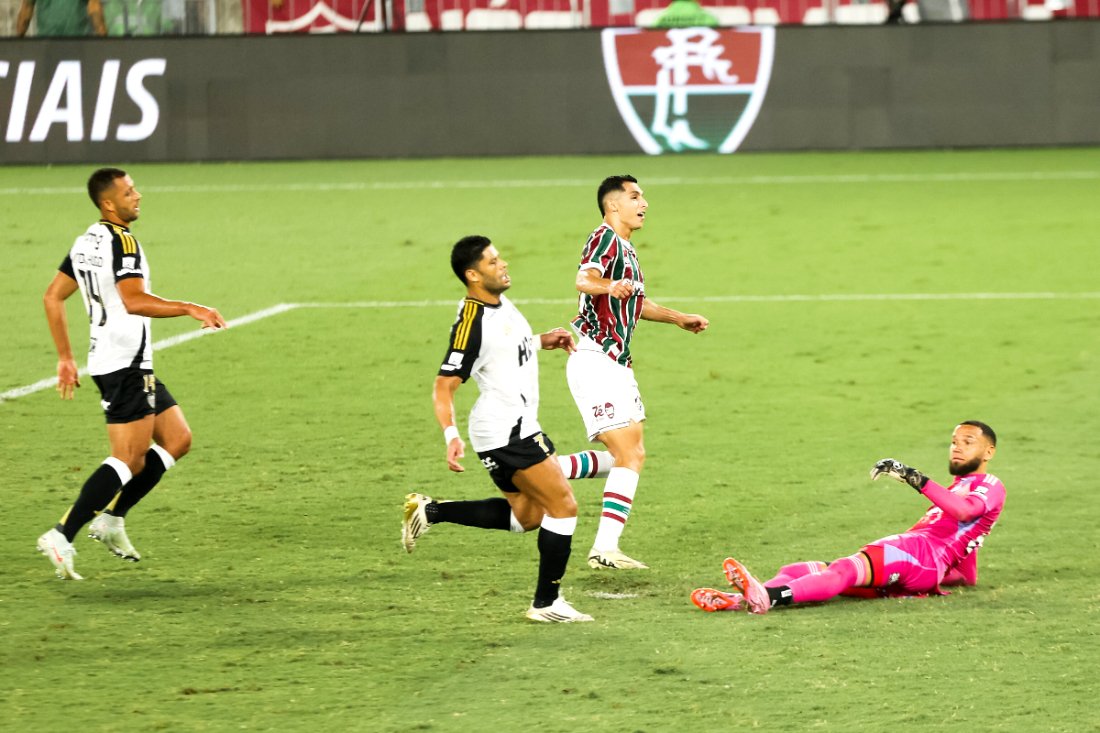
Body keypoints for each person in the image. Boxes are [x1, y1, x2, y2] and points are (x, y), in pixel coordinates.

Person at [37, 168, 225, 580]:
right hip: (124, 363)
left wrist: (66, 357)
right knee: (128, 458)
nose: (137, 195)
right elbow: (134, 300)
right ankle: (61, 535)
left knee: (177, 439)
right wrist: (190, 307)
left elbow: (53, 297)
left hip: (122, 360)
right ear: (108, 203)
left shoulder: (87, 239)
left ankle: (112, 519)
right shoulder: (123, 242)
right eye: (128, 192)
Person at [402, 235, 593, 623]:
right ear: (472, 275)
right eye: (492, 262)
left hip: (515, 425)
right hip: (507, 432)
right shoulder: (471, 323)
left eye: (499, 257)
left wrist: (540, 341)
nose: (502, 264)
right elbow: (444, 385)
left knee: (528, 517)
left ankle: (430, 511)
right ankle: (546, 603)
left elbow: (502, 347)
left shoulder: (499, 302)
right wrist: (450, 435)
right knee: (563, 506)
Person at [692, 421, 1005, 614]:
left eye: (968, 442)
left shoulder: (989, 484)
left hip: (917, 554)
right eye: (954, 442)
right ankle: (742, 600)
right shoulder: (956, 489)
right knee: (799, 570)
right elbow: (966, 571)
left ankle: (767, 598)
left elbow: (965, 511)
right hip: (918, 564)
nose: (957, 448)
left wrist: (912, 476)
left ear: (988, 452)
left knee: (844, 570)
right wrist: (934, 577)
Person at [568, 175, 709, 570]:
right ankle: (604, 549)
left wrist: (678, 317)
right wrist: (609, 286)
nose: (644, 203)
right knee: (628, 454)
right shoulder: (605, 239)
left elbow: (637, 303)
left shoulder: (626, 249)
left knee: (630, 454)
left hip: (616, 362)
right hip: (596, 358)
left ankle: (543, 471)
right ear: (613, 205)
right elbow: (584, 279)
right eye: (635, 196)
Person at [17, 0, 107, 37]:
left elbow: (26, 10)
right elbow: (95, 8)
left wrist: (17, 40)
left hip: (46, 41)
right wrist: (104, 40)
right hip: (78, 41)